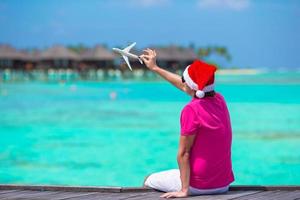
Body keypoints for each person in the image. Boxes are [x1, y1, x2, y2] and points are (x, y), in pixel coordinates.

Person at [139, 49, 235, 198]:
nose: (182, 81)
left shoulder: (191, 110)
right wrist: (155, 68)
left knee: (148, 179)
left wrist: (184, 190)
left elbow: (183, 153)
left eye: (184, 79)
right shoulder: (220, 100)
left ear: (191, 86)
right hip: (223, 185)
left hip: (198, 186)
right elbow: (186, 86)